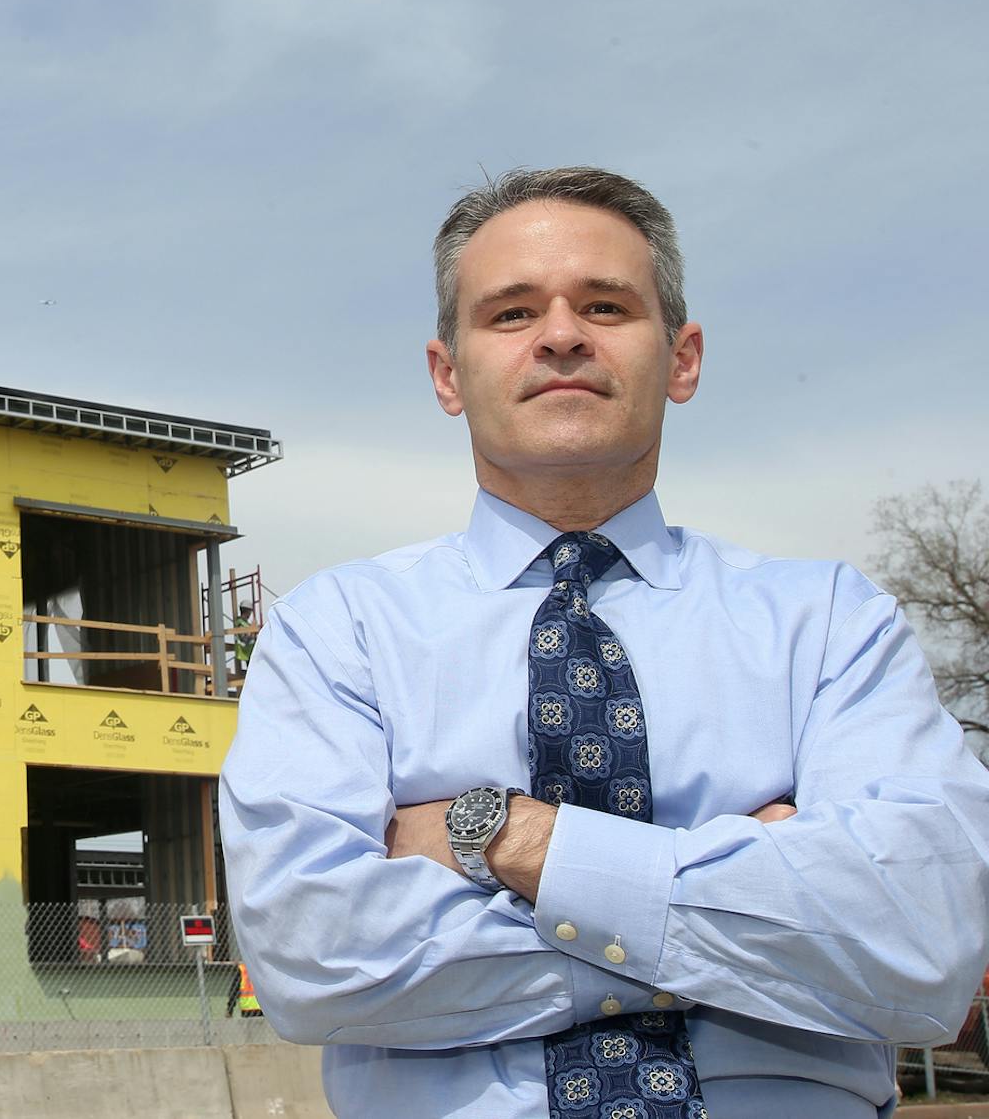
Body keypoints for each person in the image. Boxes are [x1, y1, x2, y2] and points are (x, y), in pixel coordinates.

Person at [219, 167, 989, 1117]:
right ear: (448, 374)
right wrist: (738, 907)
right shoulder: (337, 631)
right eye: (511, 313)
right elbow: (311, 960)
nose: (560, 335)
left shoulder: (829, 622)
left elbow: (922, 945)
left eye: (606, 305)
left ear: (683, 358)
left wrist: (501, 833)